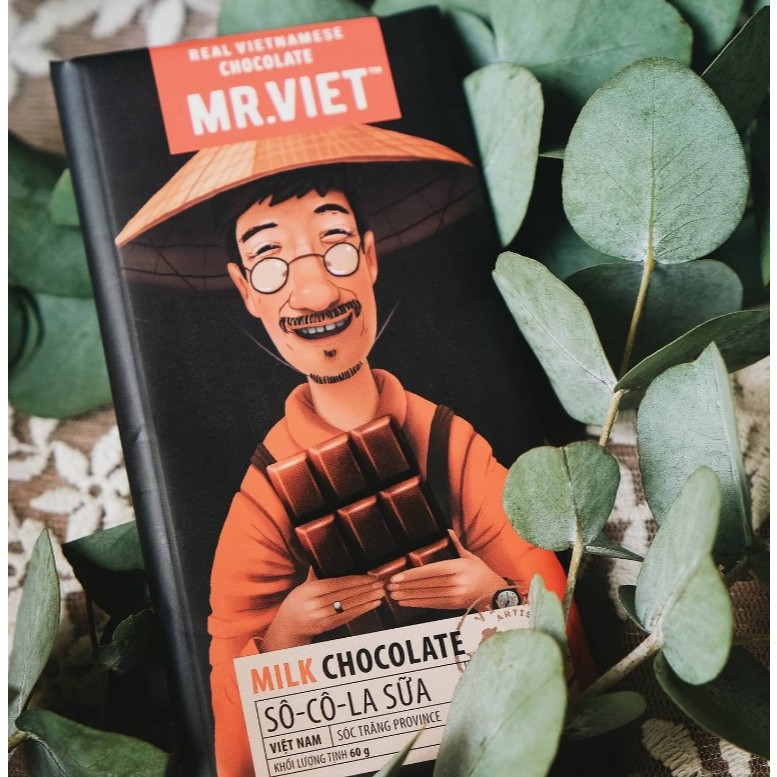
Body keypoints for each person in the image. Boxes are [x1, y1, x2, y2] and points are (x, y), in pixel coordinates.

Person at [207, 164, 593, 777]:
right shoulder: (267, 490)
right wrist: (286, 634)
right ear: (246, 289)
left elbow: (549, 597)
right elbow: (234, 716)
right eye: (271, 263)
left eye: (335, 247)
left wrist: (489, 595)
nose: (315, 293)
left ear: (368, 256)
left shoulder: (447, 441)